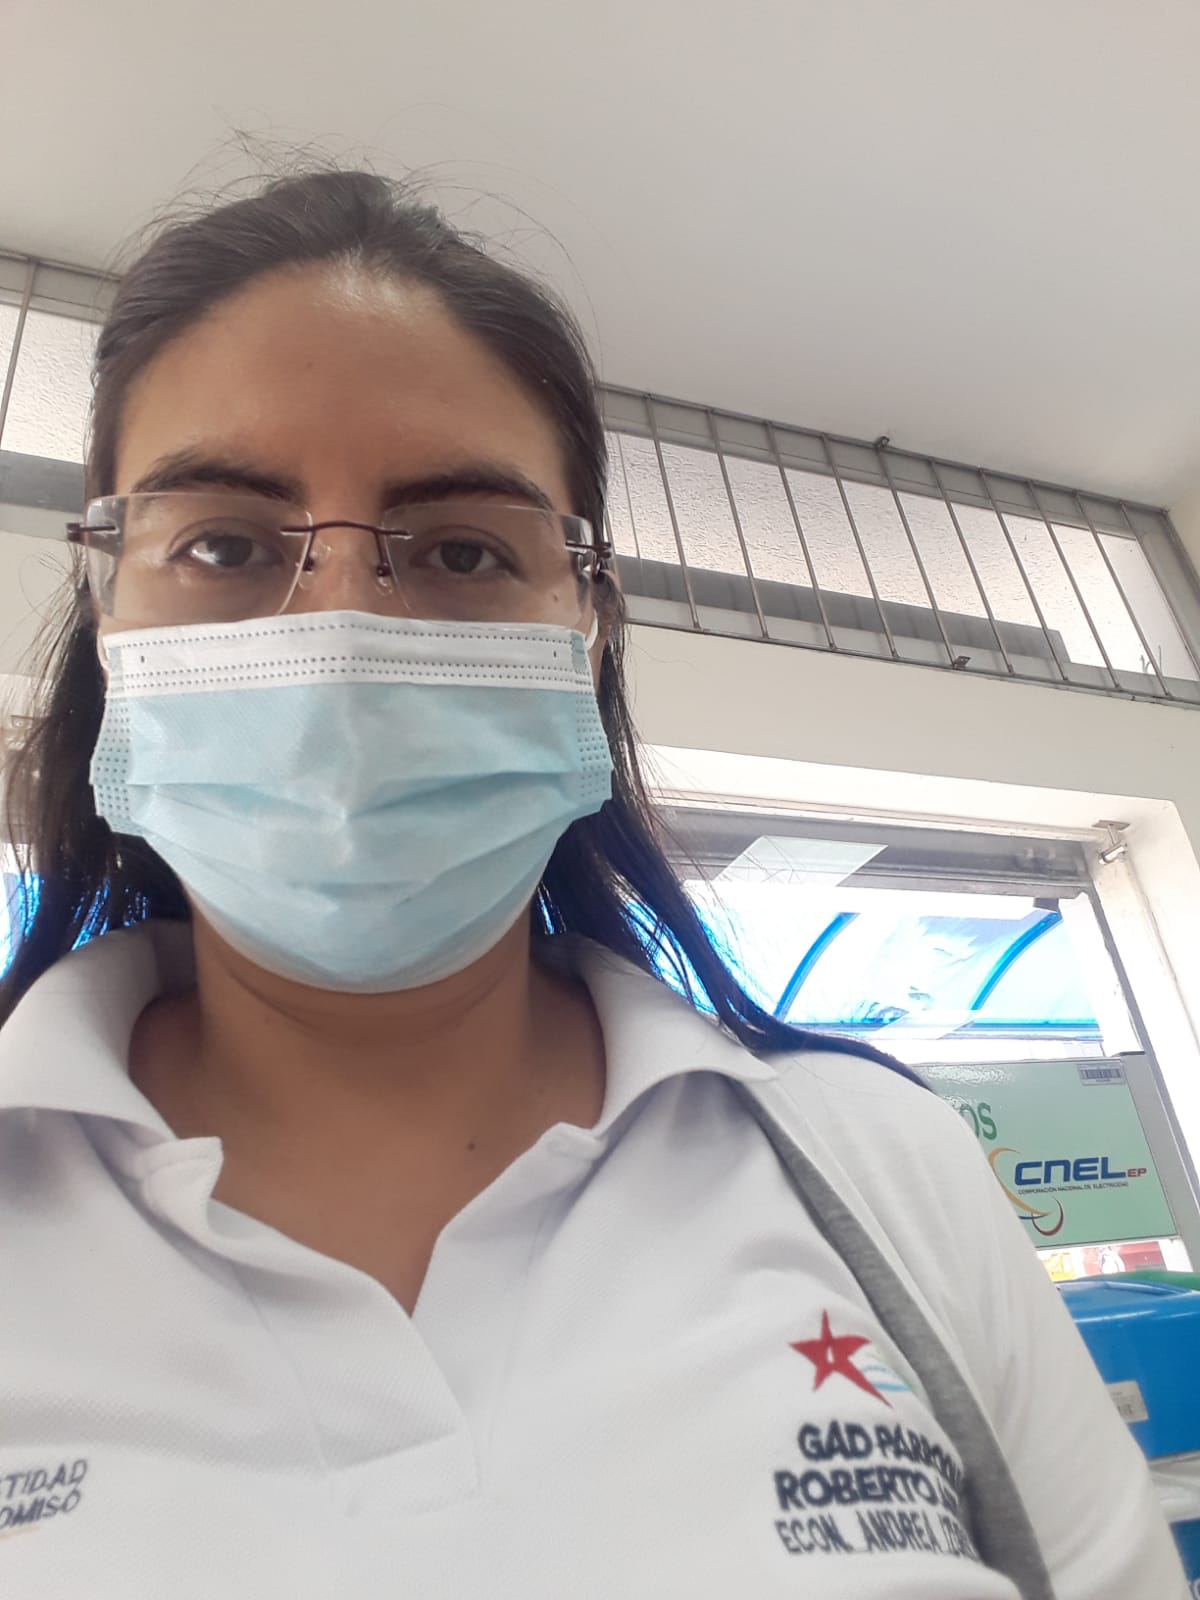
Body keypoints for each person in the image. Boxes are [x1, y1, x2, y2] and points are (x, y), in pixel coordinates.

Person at [0, 168, 1183, 1600]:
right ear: (108, 609)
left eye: (460, 550)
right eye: (224, 545)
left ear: (590, 629)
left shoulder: (878, 1167)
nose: (342, 632)